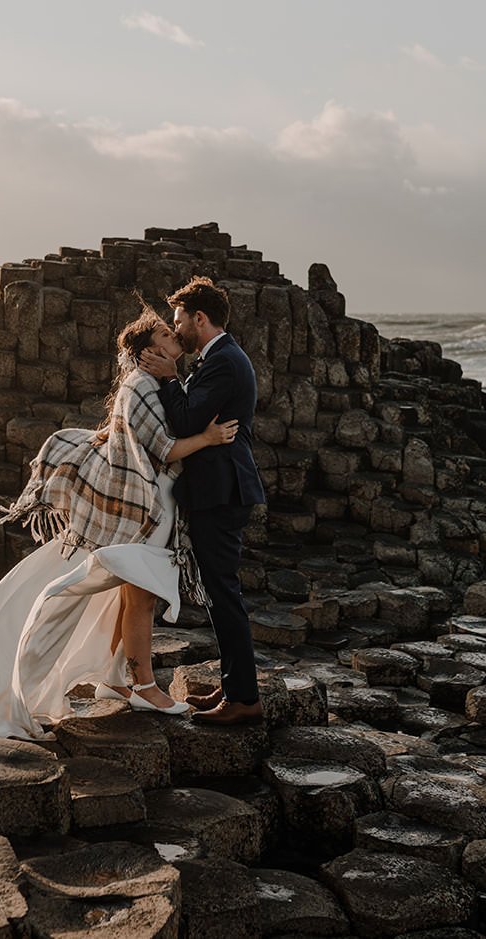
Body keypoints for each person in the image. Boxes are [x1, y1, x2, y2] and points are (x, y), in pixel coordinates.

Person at [0, 307, 239, 740]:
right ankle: (146, 687)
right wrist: (207, 439)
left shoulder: (153, 384)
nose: (175, 337)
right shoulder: (142, 387)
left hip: (152, 506)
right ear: (150, 350)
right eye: (167, 333)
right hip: (145, 512)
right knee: (142, 599)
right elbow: (163, 449)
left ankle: (118, 680)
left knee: (127, 598)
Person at [139, 276, 268, 726]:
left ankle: (244, 698)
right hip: (217, 488)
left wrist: (170, 378)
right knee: (218, 592)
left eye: (179, 321)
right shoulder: (219, 358)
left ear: (200, 318)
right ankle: (235, 685)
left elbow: (188, 420)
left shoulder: (225, 361)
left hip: (222, 490)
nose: (176, 331)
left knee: (223, 593)